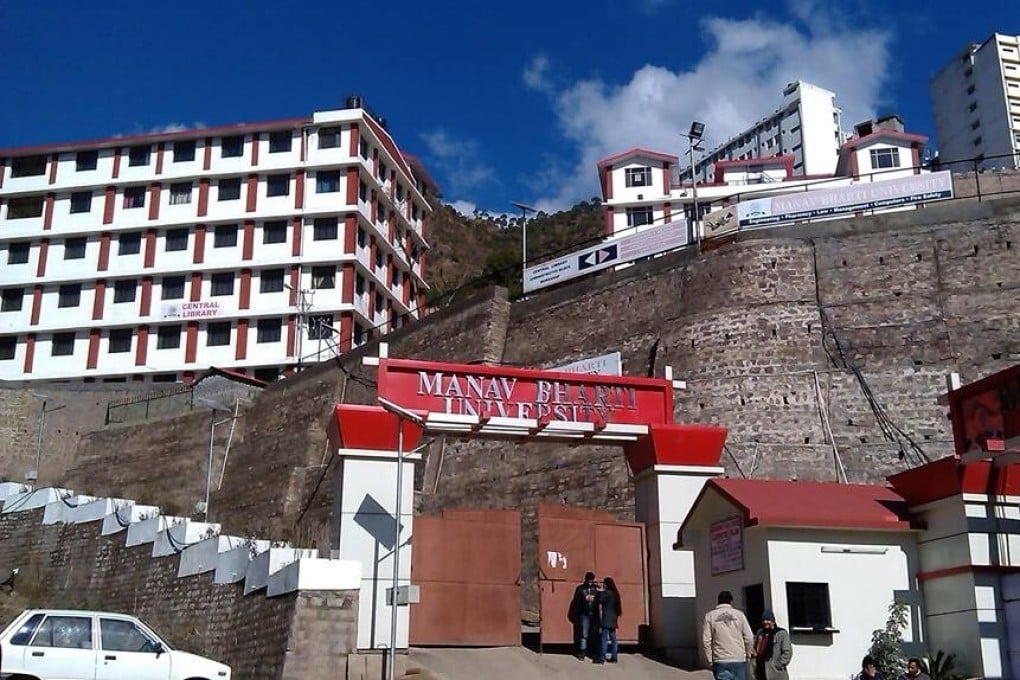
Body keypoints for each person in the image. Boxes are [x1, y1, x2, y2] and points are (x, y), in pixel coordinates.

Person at [702, 590, 755, 680]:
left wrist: (710, 659)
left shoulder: (710, 616)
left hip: (720, 659)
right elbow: (749, 637)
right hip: (738, 659)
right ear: (731, 601)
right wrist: (748, 653)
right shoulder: (739, 615)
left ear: (718, 602)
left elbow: (706, 640)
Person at [568, 571, 600, 660]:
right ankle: (582, 652)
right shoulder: (580, 589)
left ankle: (592, 651)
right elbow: (575, 601)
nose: (590, 583)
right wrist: (584, 598)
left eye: (591, 581)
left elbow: (600, 600)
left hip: (594, 614)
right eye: (589, 581)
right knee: (584, 634)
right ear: (585, 580)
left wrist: (596, 598)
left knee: (594, 633)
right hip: (584, 614)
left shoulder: (596, 589)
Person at [753, 609, 792, 680]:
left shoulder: (781, 633)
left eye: (768, 620)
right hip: (761, 671)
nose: (765, 622)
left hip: (776, 672)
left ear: (773, 621)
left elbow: (787, 652)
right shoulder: (760, 633)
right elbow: (755, 648)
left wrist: (778, 664)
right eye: (763, 620)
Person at [595, 576, 622, 664]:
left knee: (604, 638)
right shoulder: (615, 594)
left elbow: (600, 600)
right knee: (613, 639)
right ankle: (614, 657)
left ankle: (602, 657)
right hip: (613, 619)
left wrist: (599, 592)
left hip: (606, 618)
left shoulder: (607, 593)